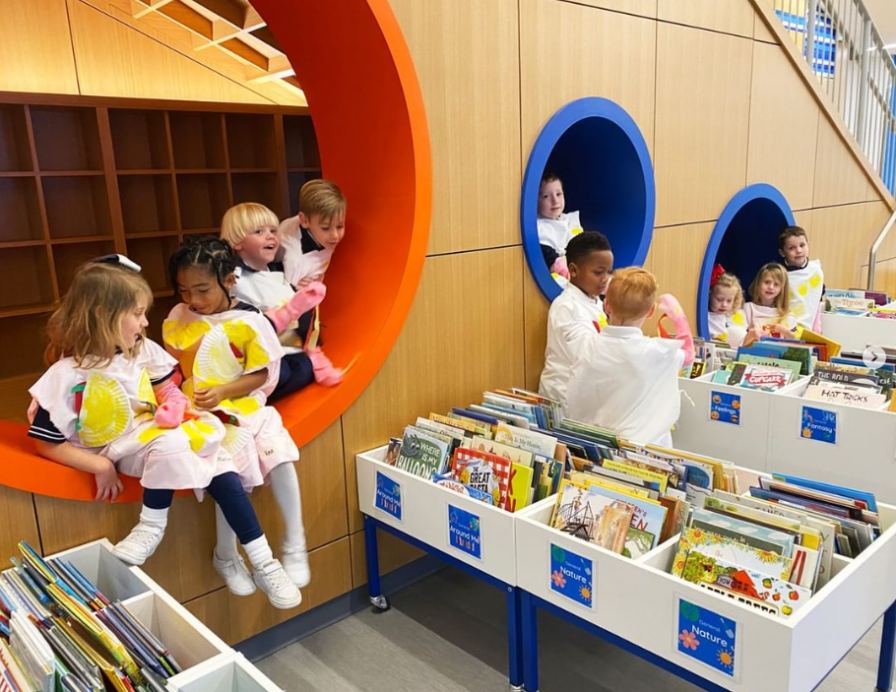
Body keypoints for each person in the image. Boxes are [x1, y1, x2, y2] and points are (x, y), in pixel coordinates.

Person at [27, 258, 301, 609]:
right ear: (102, 315)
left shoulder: (141, 351)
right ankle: (150, 527)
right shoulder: (66, 375)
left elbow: (164, 389)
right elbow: (45, 442)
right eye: (138, 314)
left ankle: (263, 560)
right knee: (173, 441)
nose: (145, 322)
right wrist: (98, 467)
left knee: (219, 457)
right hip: (125, 449)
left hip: (154, 438)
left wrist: (176, 405)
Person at [164, 236, 311, 593]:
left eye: (202, 290)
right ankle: (226, 553)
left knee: (280, 457)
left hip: (244, 404)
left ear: (229, 280)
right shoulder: (180, 316)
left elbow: (265, 374)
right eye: (184, 290)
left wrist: (225, 391)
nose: (193, 300)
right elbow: (174, 364)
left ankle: (295, 541)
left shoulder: (250, 319)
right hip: (199, 412)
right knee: (227, 472)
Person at [220, 202, 341, 399]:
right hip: (256, 358)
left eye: (273, 231)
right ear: (237, 242)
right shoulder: (236, 279)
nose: (270, 236)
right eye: (259, 232)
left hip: (286, 349)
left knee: (303, 368)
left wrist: (299, 292)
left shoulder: (278, 271)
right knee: (280, 371)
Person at [565, 267, 693, 447]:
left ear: (606, 305)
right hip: (647, 450)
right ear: (651, 311)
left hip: (597, 446)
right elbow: (688, 355)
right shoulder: (655, 351)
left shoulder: (588, 344)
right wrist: (678, 317)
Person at [538, 231, 613, 412]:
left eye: (608, 272)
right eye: (598, 272)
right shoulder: (566, 307)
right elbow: (587, 354)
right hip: (564, 400)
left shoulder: (596, 302)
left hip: (587, 395)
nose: (605, 279)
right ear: (573, 270)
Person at [278, 180, 346, 356]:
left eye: (340, 226)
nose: (335, 235)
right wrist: (295, 288)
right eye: (325, 228)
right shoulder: (293, 257)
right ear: (304, 220)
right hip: (283, 291)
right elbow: (284, 300)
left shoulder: (316, 229)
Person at [536, 173, 582, 282]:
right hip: (559, 275)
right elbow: (544, 252)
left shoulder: (570, 219)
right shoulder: (539, 226)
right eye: (546, 196)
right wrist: (558, 263)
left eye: (558, 194)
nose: (555, 201)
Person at [778, 225, 824, 331]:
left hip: (810, 329)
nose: (798, 251)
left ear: (808, 245)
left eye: (802, 245)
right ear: (782, 252)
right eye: (791, 248)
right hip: (786, 328)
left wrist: (817, 327)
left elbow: (817, 300)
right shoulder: (780, 274)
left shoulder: (816, 270)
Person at [743, 262, 796, 340]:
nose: (771, 287)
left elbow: (796, 342)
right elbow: (739, 337)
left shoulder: (788, 315)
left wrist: (785, 331)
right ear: (758, 284)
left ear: (782, 289)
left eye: (776, 284)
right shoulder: (748, 308)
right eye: (767, 282)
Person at [707, 265, 748, 348]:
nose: (724, 304)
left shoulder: (727, 318)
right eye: (719, 299)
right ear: (710, 295)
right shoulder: (706, 317)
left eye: (729, 301)